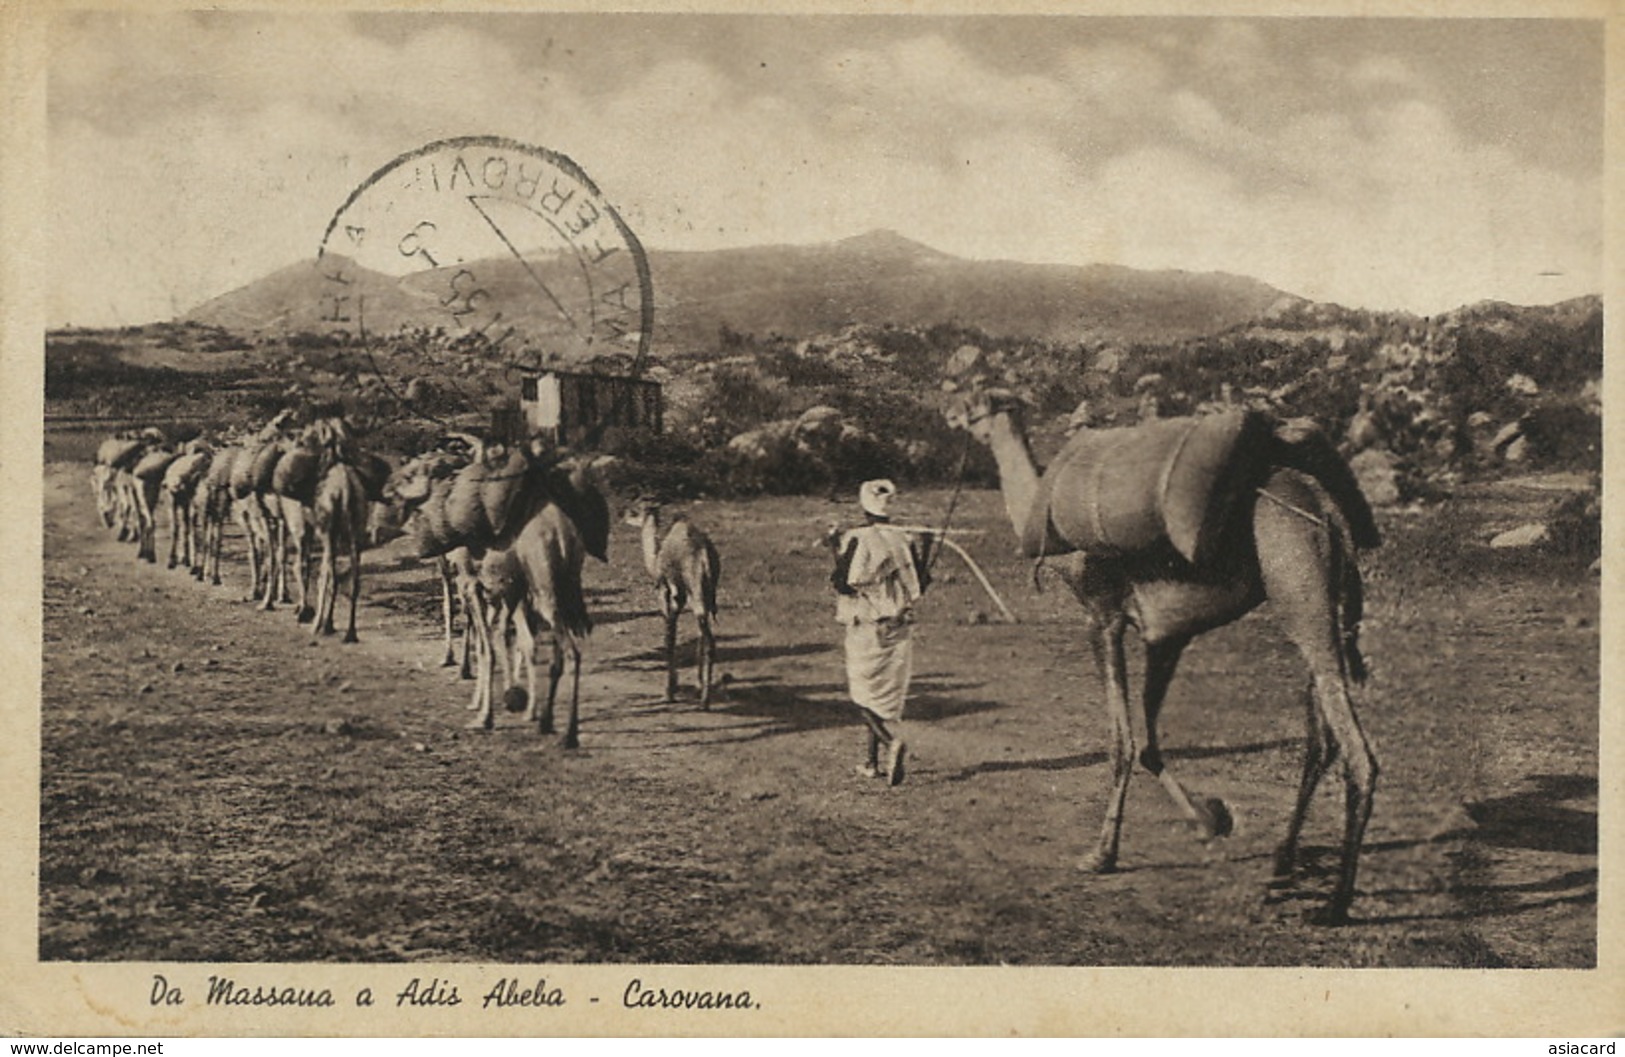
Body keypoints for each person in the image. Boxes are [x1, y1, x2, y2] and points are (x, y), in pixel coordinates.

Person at [829, 479, 935, 786]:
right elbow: (921, 583)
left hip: (868, 626)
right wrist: (927, 547)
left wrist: (833, 548)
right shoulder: (904, 539)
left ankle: (891, 743)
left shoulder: (858, 538)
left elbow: (842, 582)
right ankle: (870, 763)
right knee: (882, 698)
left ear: (864, 508)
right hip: (900, 627)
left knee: (862, 697)